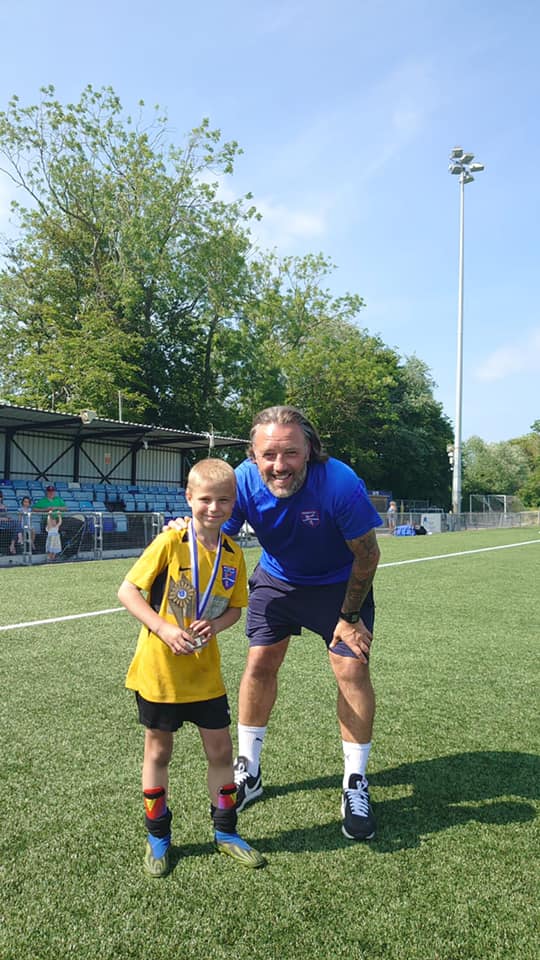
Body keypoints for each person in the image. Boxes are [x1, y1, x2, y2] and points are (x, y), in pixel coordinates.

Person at [176, 406, 383, 841]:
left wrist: (348, 618)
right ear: (252, 454)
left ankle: (355, 782)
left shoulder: (341, 484)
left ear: (309, 450)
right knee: (259, 664)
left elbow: (367, 555)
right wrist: (187, 529)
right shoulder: (242, 480)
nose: (279, 465)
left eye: (290, 452)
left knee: (351, 668)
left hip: (339, 585)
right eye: (268, 454)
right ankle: (249, 771)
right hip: (277, 580)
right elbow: (220, 537)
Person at [118, 458, 265, 878]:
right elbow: (127, 591)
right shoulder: (170, 542)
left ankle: (225, 832)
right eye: (205, 499)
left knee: (220, 752)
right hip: (160, 673)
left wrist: (215, 625)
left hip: (205, 675)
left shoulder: (234, 554)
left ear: (234, 503)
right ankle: (158, 836)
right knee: (158, 752)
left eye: (223, 500)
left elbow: (236, 610)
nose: (214, 508)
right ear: (189, 498)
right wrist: (163, 627)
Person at [0, 490, 18, 555]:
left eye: (0, 496)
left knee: (17, 524)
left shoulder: (3, 506)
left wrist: (8, 518)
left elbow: (6, 515)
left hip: (5, 523)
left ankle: (12, 545)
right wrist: (3, 518)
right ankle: (13, 546)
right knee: (17, 526)